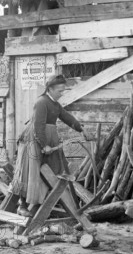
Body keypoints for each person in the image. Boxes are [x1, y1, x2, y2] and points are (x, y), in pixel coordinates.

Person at [10, 75, 90, 217]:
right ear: (50, 89)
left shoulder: (55, 105)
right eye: (59, 90)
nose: (62, 93)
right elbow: (38, 126)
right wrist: (44, 145)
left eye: (63, 90)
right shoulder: (42, 102)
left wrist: (81, 128)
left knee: (53, 169)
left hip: (49, 139)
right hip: (34, 140)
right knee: (30, 171)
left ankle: (41, 200)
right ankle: (22, 206)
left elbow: (66, 117)